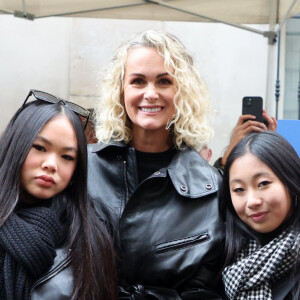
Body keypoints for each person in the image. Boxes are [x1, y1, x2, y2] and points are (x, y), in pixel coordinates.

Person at [88, 30, 225, 299]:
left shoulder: (213, 187)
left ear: (182, 91)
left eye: (164, 81)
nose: (150, 94)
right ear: (121, 90)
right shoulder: (84, 166)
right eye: (138, 81)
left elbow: (210, 286)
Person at [0, 90, 117, 300]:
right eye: (39, 147)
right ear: (16, 145)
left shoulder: (93, 235)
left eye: (67, 156)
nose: (51, 165)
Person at [220, 131, 300, 299]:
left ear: (291, 180)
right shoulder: (223, 252)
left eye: (263, 183)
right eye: (239, 189)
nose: (252, 202)